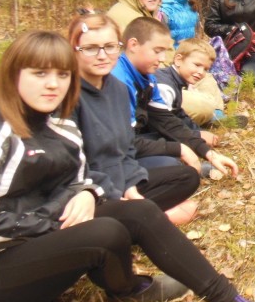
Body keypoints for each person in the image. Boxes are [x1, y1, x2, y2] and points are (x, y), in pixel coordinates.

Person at [0, 31, 255, 302]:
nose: (53, 84)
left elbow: (80, 176)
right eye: (40, 74)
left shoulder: (61, 123)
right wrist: (52, 225)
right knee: (106, 231)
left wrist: (87, 192)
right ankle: (127, 287)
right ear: (14, 73)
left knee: (140, 211)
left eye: (62, 75)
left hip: (42, 241)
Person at [69, 12, 200, 226]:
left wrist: (130, 186)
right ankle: (146, 218)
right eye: (91, 48)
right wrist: (110, 193)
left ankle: (139, 215)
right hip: (87, 189)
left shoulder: (117, 88)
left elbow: (127, 146)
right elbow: (71, 166)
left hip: (120, 176)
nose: (102, 56)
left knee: (187, 177)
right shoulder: (68, 96)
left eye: (110, 47)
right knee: (110, 228)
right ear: (75, 50)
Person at [113, 17, 232, 190]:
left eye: (164, 51)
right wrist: (178, 149)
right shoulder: (119, 82)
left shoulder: (148, 78)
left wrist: (207, 152)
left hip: (129, 145)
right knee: (173, 166)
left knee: (178, 164)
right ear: (133, 45)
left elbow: (167, 121)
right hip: (108, 159)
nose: (162, 58)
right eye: (157, 51)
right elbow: (123, 143)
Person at [154, 38, 240, 179]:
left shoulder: (176, 81)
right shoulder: (165, 86)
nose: (201, 72)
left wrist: (197, 131)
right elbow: (165, 126)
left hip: (155, 133)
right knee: (172, 159)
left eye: (205, 69)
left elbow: (178, 114)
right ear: (178, 60)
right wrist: (196, 137)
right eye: (197, 65)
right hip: (139, 139)